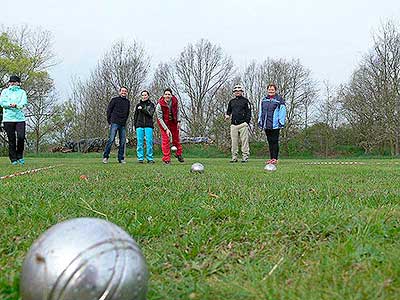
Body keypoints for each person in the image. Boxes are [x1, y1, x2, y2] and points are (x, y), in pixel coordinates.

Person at [0, 75, 28, 165]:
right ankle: (13, 159)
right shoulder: (5, 91)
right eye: (11, 82)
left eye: (15, 82)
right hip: (8, 119)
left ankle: (20, 155)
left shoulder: (22, 92)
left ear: (18, 83)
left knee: (21, 137)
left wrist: (17, 106)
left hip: (20, 118)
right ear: (9, 83)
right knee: (11, 139)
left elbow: (24, 102)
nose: (13, 83)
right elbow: (2, 103)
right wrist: (9, 104)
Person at [257, 84, 286, 164]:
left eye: (272, 89)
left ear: (275, 90)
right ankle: (271, 158)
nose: (271, 91)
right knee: (269, 142)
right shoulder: (264, 100)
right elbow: (261, 111)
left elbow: (282, 111)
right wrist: (260, 121)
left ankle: (275, 158)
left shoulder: (279, 100)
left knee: (275, 141)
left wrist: (281, 122)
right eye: (269, 89)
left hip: (275, 125)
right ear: (267, 90)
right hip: (266, 124)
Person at [156, 88, 184, 165]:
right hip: (164, 123)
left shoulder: (175, 102)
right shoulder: (159, 105)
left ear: (171, 95)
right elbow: (159, 118)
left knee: (176, 139)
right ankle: (166, 159)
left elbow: (177, 111)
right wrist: (166, 129)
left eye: (169, 94)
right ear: (163, 95)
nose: (167, 96)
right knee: (166, 140)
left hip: (173, 122)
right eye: (166, 94)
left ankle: (178, 154)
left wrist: (178, 121)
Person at [102, 86, 130, 164]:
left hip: (123, 124)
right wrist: (109, 121)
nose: (124, 92)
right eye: (122, 91)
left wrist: (125, 121)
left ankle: (121, 158)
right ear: (119, 92)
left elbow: (127, 113)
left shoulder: (127, 102)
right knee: (111, 140)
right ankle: (105, 157)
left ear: (126, 93)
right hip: (114, 122)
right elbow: (108, 111)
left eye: (125, 91)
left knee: (123, 141)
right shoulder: (114, 100)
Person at [225, 84, 251, 163]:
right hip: (233, 125)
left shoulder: (245, 101)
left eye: (239, 91)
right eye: (236, 91)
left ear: (242, 92)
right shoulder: (231, 101)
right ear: (234, 92)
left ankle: (245, 156)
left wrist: (247, 122)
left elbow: (249, 112)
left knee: (244, 141)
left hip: (243, 124)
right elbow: (229, 110)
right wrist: (227, 115)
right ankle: (234, 157)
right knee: (234, 142)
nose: (237, 92)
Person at [133, 90, 155, 163]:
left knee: (149, 142)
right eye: (142, 95)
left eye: (145, 95)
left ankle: (150, 158)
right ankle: (140, 158)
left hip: (148, 125)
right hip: (139, 125)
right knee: (140, 142)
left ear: (148, 96)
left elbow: (150, 113)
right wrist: (135, 125)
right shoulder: (138, 105)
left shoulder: (151, 105)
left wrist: (142, 109)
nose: (144, 96)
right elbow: (135, 116)